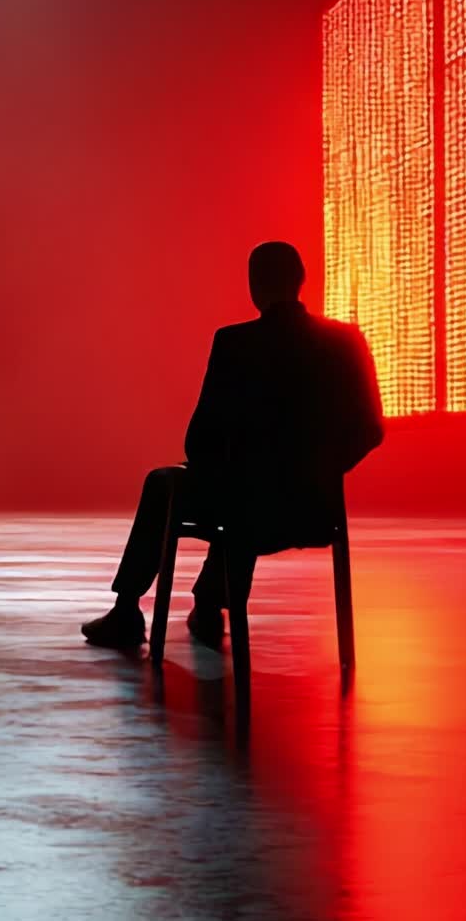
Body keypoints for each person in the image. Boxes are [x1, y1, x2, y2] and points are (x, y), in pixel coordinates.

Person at [81, 241, 384, 650]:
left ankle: (128, 611)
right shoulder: (345, 341)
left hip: (247, 507)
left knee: (173, 483)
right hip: (313, 506)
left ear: (254, 286)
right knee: (245, 484)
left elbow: (201, 437)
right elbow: (371, 429)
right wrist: (317, 469)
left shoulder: (235, 343)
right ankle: (209, 601)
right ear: (301, 281)